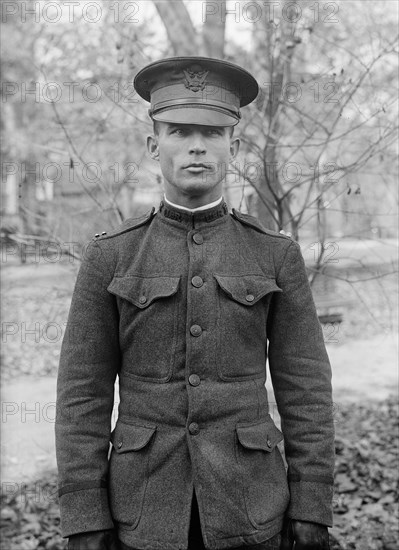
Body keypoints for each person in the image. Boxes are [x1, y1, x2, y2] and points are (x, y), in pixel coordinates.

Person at [55, 57, 334, 550]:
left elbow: (306, 388)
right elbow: (82, 395)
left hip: (252, 507)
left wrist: (312, 502)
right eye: (179, 131)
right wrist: (85, 515)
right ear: (152, 144)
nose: (197, 145)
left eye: (212, 132)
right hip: (142, 512)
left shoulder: (274, 253)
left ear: (236, 145)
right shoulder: (111, 255)